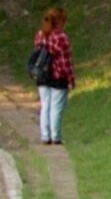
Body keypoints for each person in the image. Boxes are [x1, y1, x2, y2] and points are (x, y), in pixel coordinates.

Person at [28, 8, 75, 146]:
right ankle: (56, 136)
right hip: (58, 76)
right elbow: (65, 61)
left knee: (45, 106)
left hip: (42, 75)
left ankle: (45, 136)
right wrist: (70, 79)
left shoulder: (40, 35)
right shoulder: (61, 37)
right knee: (56, 107)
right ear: (59, 21)